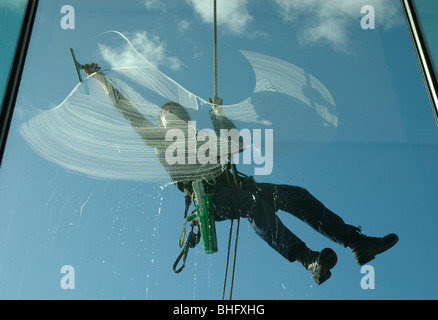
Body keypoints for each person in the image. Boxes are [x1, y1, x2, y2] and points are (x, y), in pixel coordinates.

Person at [83, 63, 398, 285]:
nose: (178, 118)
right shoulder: (160, 142)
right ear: (164, 123)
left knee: (294, 196)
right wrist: (102, 81)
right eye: (171, 116)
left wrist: (218, 115)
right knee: (250, 204)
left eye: (180, 115)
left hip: (239, 185)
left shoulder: (202, 141)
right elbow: (130, 112)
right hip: (209, 197)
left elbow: (234, 146)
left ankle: (356, 242)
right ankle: (307, 259)